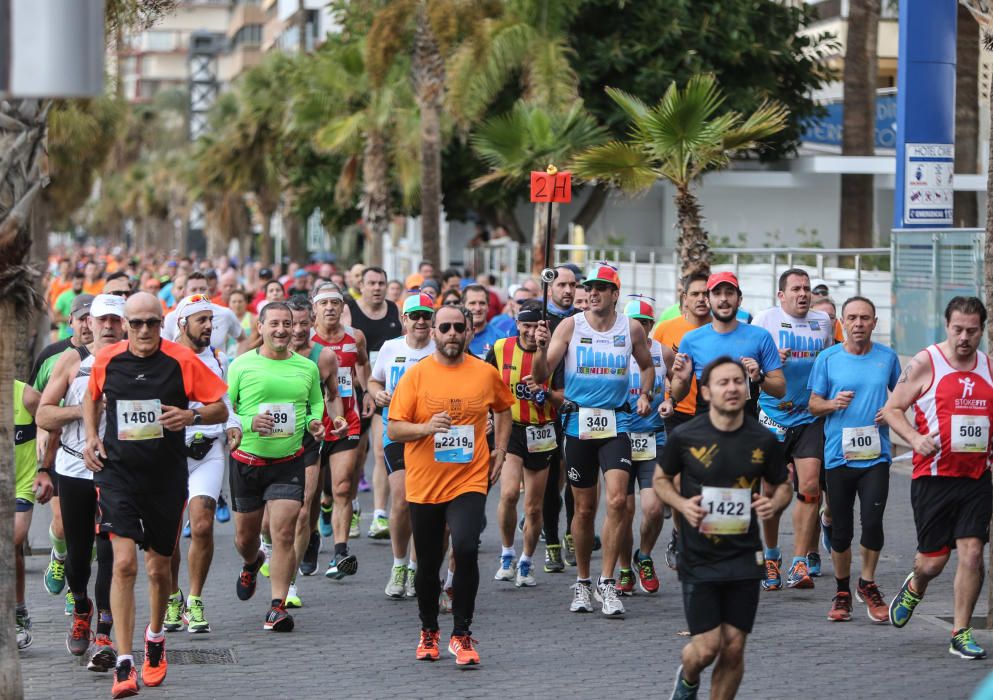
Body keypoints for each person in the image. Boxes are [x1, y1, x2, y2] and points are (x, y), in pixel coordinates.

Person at [83, 292, 228, 698]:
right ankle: (125, 662)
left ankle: (156, 636)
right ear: (126, 325)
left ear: (162, 324)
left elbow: (219, 406)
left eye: (151, 323)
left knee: (157, 570)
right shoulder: (108, 358)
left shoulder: (181, 361)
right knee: (124, 564)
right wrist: (92, 435)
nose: (144, 330)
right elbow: (92, 397)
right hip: (118, 474)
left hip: (165, 477)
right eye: (136, 323)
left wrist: (191, 415)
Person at [656, 357, 791, 700]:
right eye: (722, 382)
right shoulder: (686, 436)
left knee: (733, 648)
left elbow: (783, 485)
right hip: (699, 556)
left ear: (746, 390)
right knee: (706, 649)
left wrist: (774, 504)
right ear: (706, 392)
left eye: (737, 381)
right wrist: (681, 503)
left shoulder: (763, 439)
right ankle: (687, 677)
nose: (732, 388)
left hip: (744, 556)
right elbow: (660, 480)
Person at [388, 303, 513, 665]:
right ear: (434, 333)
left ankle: (462, 634)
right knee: (427, 563)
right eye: (445, 328)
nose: (453, 333)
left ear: (469, 331)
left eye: (460, 327)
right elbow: (395, 428)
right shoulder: (417, 375)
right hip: (425, 482)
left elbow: (504, 409)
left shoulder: (485, 373)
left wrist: (500, 450)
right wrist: (425, 428)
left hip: (469, 479)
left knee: (466, 548)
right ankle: (429, 630)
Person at [532, 262, 657, 618]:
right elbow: (541, 375)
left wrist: (645, 393)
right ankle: (583, 581)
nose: (594, 293)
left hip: (617, 422)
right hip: (579, 425)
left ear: (615, 294)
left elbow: (646, 365)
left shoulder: (630, 328)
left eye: (602, 287)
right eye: (591, 287)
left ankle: (608, 583)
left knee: (618, 501)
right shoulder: (571, 325)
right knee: (585, 509)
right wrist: (541, 349)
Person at [883, 296, 993, 659]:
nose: (964, 337)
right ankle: (916, 585)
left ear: (982, 330)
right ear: (947, 326)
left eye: (972, 331)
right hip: (933, 477)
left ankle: (960, 632)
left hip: (976, 478)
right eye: (958, 329)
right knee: (932, 561)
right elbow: (893, 408)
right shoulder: (926, 362)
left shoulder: (989, 368)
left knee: (973, 553)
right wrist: (914, 438)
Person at [227, 301, 326, 634]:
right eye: (275, 324)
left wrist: (314, 422)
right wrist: (248, 421)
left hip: (288, 461)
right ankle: (252, 561)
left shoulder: (306, 368)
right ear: (261, 327)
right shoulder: (240, 365)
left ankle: (277, 607)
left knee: (284, 532)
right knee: (246, 538)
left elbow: (315, 403)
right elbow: (224, 410)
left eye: (288, 323)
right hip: (247, 461)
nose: (283, 330)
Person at [37, 294, 125, 668]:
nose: (104, 326)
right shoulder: (72, 361)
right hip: (74, 468)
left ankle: (105, 629)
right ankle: (82, 609)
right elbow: (43, 413)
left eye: (113, 320)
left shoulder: (137, 362)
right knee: (78, 556)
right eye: (97, 319)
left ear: (125, 325)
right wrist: (83, 410)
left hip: (118, 472)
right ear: (86, 323)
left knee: (110, 552)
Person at [808, 296, 900, 623]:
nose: (858, 324)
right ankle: (843, 590)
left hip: (876, 455)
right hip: (839, 456)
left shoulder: (887, 358)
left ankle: (868, 583)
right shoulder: (828, 358)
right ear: (842, 323)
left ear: (875, 322)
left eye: (865, 318)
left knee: (873, 523)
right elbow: (813, 404)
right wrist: (833, 404)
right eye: (852, 318)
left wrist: (891, 414)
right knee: (842, 530)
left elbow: (901, 400)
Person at [162, 295, 243, 634]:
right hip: (169, 453)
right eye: (202, 320)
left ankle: (195, 600)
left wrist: (232, 423)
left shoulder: (218, 358)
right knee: (166, 535)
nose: (210, 326)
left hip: (208, 450)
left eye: (211, 319)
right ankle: (171, 597)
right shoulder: (164, 358)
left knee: (203, 525)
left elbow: (224, 400)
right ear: (183, 324)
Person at [752, 269, 833, 590]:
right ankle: (771, 555)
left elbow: (827, 359)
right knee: (770, 493)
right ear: (781, 295)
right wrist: (770, 360)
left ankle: (800, 560)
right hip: (772, 416)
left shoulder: (822, 322)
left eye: (807, 289)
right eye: (796, 289)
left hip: (808, 417)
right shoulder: (764, 320)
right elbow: (749, 363)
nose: (803, 294)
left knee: (811, 486)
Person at [487, 300, 563, 588]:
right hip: (512, 430)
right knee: (508, 494)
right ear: (517, 324)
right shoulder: (499, 349)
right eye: (526, 325)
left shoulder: (554, 353)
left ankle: (527, 561)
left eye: (538, 327)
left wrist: (545, 392)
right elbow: (483, 383)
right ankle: (507, 552)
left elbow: (563, 395)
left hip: (542, 430)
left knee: (533, 507)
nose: (531, 332)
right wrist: (487, 415)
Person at [369, 293, 436, 598]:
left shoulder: (441, 349)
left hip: (432, 435)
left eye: (426, 316)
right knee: (402, 499)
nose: (421, 321)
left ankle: (414, 566)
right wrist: (378, 393)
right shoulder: (391, 348)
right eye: (415, 316)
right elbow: (373, 381)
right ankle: (398, 564)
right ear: (405, 320)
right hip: (395, 430)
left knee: (425, 503)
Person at [33, 293, 94, 607]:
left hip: (99, 458)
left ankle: (77, 587)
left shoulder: (114, 356)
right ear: (70, 321)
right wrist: (41, 439)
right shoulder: (53, 355)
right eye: (81, 317)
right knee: (62, 524)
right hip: (58, 450)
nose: (86, 323)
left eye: (91, 317)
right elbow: (34, 402)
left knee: (91, 530)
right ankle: (59, 556)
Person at [283, 297, 345, 603]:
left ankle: (290, 585)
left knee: (303, 507)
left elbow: (333, 395)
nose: (296, 330)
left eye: (303, 323)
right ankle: (267, 549)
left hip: (309, 437)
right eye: (290, 323)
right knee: (269, 522)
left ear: (313, 323)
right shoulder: (263, 355)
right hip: (271, 440)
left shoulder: (324, 357)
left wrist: (337, 417)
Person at [310, 284, 371, 578]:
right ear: (315, 309)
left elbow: (363, 363)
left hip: (347, 419)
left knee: (344, 486)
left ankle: (340, 553)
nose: (330, 308)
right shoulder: (306, 341)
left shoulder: (354, 337)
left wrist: (368, 391)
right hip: (312, 424)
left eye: (336, 302)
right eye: (324, 304)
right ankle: (310, 538)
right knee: (311, 494)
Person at [616, 297, 674, 596]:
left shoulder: (663, 352)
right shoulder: (615, 351)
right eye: (635, 322)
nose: (640, 327)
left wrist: (669, 401)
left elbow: (677, 384)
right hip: (621, 438)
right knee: (624, 510)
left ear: (652, 325)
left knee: (653, 508)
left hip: (654, 438)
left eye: (646, 322)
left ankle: (645, 556)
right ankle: (625, 567)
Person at [343, 266, 402, 540]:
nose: (377, 288)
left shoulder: (394, 311)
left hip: (382, 390)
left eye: (381, 283)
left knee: (380, 451)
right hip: (352, 391)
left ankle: (379, 514)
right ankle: (351, 507)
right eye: (372, 283)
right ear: (362, 286)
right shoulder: (349, 310)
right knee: (355, 457)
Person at [14, 380, 53, 652]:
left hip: (20, 483)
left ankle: (17, 613)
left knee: (12, 541)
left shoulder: (24, 394)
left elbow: (50, 419)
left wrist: (45, 467)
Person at [653, 273, 711, 433]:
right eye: (695, 294)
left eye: (706, 294)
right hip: (675, 411)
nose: (701, 299)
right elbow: (651, 364)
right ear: (685, 297)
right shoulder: (665, 328)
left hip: (711, 413)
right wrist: (664, 379)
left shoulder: (722, 331)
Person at [163, 272, 245, 351]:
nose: (198, 293)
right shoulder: (172, 318)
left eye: (202, 289)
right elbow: (165, 348)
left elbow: (243, 339)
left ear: (208, 291)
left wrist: (236, 362)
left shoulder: (225, 314)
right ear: (184, 293)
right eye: (194, 290)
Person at [464, 283, 506, 360]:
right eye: (472, 303)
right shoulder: (455, 336)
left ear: (488, 306)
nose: (478, 308)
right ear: (463, 306)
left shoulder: (500, 338)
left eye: (482, 303)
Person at [54, 271, 85, 339]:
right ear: (71, 281)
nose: (79, 286)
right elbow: (55, 318)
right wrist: (71, 319)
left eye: (81, 283)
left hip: (82, 338)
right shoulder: (63, 296)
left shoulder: (87, 296)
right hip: (65, 336)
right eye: (77, 283)